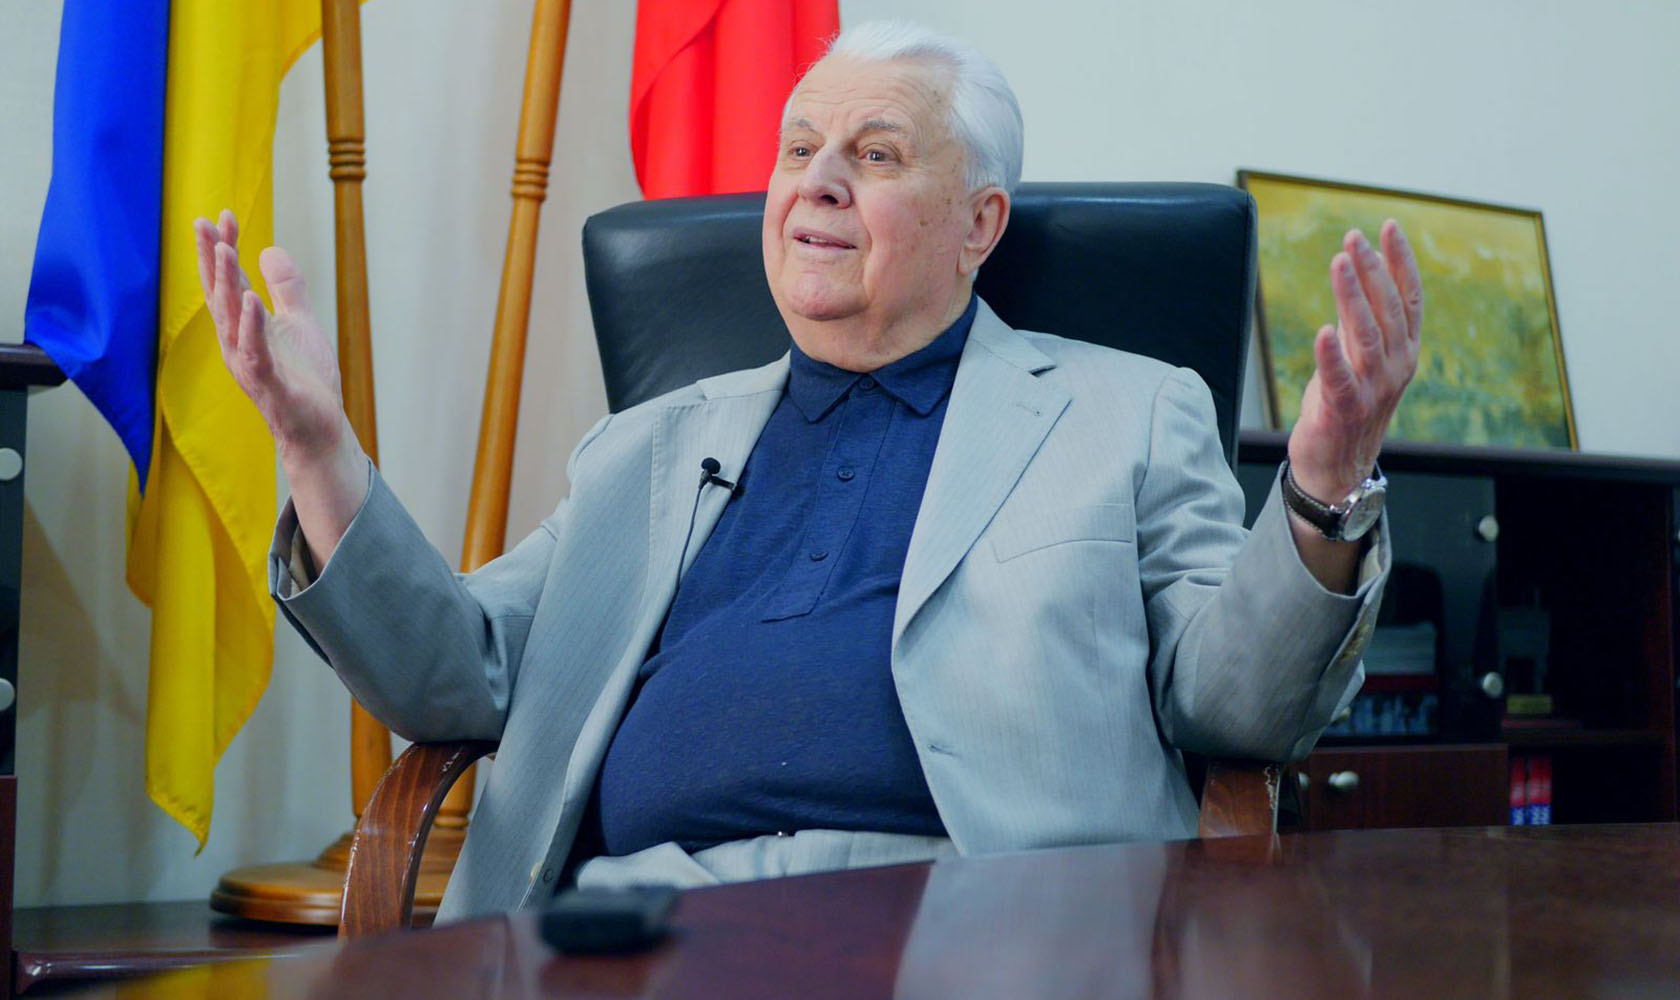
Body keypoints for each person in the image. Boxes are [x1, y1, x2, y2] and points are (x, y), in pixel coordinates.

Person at [195, 21, 1421, 921]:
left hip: (975, 922)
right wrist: (319, 453)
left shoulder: (1127, 413)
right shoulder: (642, 446)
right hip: (631, 928)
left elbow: (1237, 708)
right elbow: (456, 675)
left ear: (980, 224)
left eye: (877, 154)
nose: (817, 179)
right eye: (799, 148)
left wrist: (1323, 483)